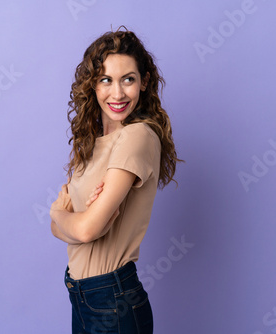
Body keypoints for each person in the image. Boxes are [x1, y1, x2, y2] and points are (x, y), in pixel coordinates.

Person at [50, 27, 182, 334]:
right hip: (83, 297)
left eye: (129, 79)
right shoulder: (91, 144)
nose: (118, 93)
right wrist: (72, 223)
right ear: (92, 84)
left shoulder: (137, 137)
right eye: (106, 79)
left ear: (144, 82)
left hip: (111, 299)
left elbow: (82, 229)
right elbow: (63, 231)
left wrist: (60, 214)